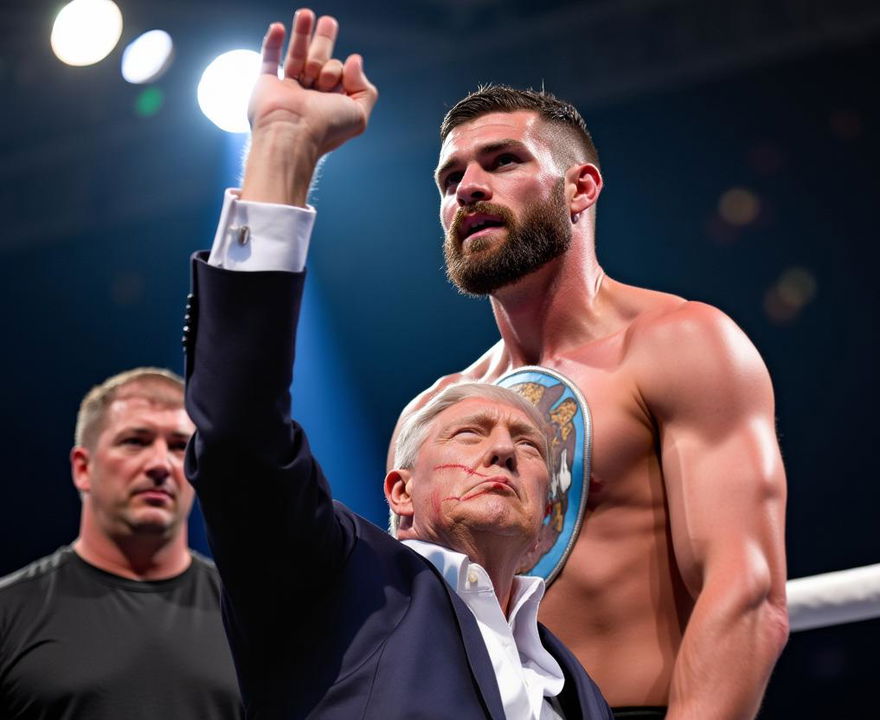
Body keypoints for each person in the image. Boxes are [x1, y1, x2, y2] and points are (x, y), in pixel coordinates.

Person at [207, 7, 789, 718]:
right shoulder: (438, 411)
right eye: (450, 179)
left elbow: (745, 593)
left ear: (580, 188)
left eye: (503, 161)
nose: (468, 189)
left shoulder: (679, 342)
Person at [184, 9, 612, 719]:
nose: (504, 447)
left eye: (530, 446)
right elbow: (236, 431)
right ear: (399, 493)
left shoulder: (575, 688)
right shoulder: (341, 583)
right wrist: (282, 151)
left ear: (549, 523)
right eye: (470, 434)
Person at [0, 368, 242, 720]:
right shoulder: (8, 614)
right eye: (136, 441)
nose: (161, 464)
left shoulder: (251, 618)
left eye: (179, 447)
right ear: (83, 468)